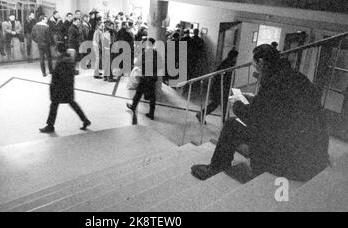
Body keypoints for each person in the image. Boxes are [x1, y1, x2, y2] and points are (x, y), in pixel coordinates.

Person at [191, 44, 329, 182]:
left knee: (232, 125)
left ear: (262, 63)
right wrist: (255, 100)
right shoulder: (296, 77)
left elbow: (255, 117)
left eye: (255, 64)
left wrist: (237, 105)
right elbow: (277, 108)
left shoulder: (274, 83)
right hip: (312, 148)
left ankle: (216, 166)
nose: (255, 68)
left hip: (288, 153)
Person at [39, 49, 91, 133]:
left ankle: (50, 126)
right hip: (67, 88)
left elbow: (59, 75)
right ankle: (85, 120)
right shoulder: (69, 61)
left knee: (54, 105)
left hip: (60, 88)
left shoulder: (63, 61)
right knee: (72, 104)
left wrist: (54, 87)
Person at [196, 48, 239, 124]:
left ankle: (202, 114)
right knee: (223, 105)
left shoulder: (226, 63)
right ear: (233, 57)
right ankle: (225, 122)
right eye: (236, 57)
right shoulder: (228, 65)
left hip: (220, 88)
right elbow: (224, 79)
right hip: (221, 89)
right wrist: (227, 89)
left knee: (216, 104)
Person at [127, 38, 163, 123]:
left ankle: (133, 106)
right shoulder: (156, 53)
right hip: (153, 77)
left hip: (145, 77)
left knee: (139, 93)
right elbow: (160, 65)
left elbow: (138, 63)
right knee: (152, 96)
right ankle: (151, 113)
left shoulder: (145, 53)